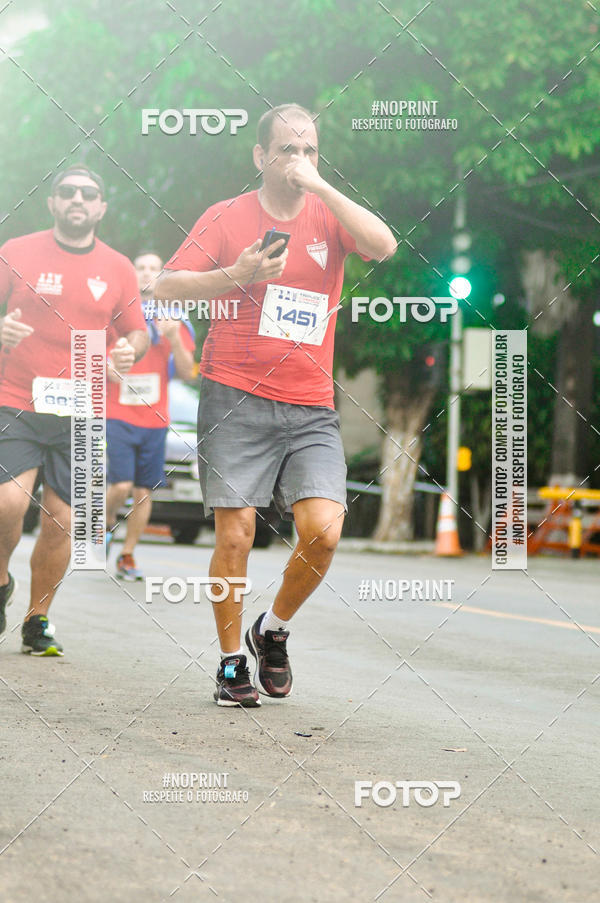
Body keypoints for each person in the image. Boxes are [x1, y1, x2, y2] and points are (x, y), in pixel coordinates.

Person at [156, 103, 396, 706]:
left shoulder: (328, 213)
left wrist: (320, 185)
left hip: (310, 404)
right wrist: (235, 274)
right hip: (234, 396)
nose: (298, 161)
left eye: (309, 150)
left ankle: (274, 629)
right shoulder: (227, 216)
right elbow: (165, 285)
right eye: (287, 151)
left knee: (325, 532)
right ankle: (231, 661)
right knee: (234, 536)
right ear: (260, 157)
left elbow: (384, 245)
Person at [0, 165, 148, 655]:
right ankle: (1, 581)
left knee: (62, 520)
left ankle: (37, 618)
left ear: (101, 207)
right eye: (67, 192)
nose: (77, 200)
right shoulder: (15, 253)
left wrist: (130, 350)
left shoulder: (119, 267)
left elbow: (137, 332)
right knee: (8, 504)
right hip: (14, 398)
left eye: (88, 193)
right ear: (52, 203)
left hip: (82, 411)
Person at [105, 251, 195, 580]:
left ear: (162, 276)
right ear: (131, 274)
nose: (146, 274)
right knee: (121, 484)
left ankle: (127, 554)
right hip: (117, 413)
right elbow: (97, 357)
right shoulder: (117, 315)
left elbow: (187, 373)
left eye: (153, 269)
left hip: (156, 420)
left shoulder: (175, 319)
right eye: (140, 268)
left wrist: (172, 337)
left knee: (144, 491)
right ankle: (106, 522)